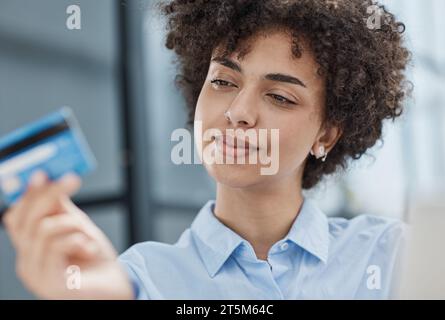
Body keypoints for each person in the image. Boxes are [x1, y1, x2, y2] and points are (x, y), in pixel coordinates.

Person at [2, 0, 411, 299]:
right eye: (223, 82)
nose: (238, 112)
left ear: (326, 135)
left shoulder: (392, 257)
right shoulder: (138, 280)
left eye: (280, 97)